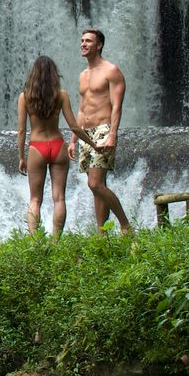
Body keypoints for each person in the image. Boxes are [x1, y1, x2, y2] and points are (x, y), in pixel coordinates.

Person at [73, 28, 133, 234]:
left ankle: (126, 226)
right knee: (97, 188)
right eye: (82, 40)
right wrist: (73, 139)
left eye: (88, 41)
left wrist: (112, 134)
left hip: (103, 130)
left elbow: (117, 105)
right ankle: (102, 234)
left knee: (95, 184)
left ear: (99, 45)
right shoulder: (83, 75)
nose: (83, 44)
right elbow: (81, 109)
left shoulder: (111, 70)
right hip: (85, 133)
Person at [16, 54, 82, 237]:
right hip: (58, 144)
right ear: (54, 74)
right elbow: (74, 126)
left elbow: (21, 130)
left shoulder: (25, 97)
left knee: (35, 199)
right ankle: (55, 242)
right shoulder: (61, 95)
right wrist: (92, 143)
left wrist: (21, 156)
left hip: (37, 147)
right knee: (59, 197)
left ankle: (35, 242)